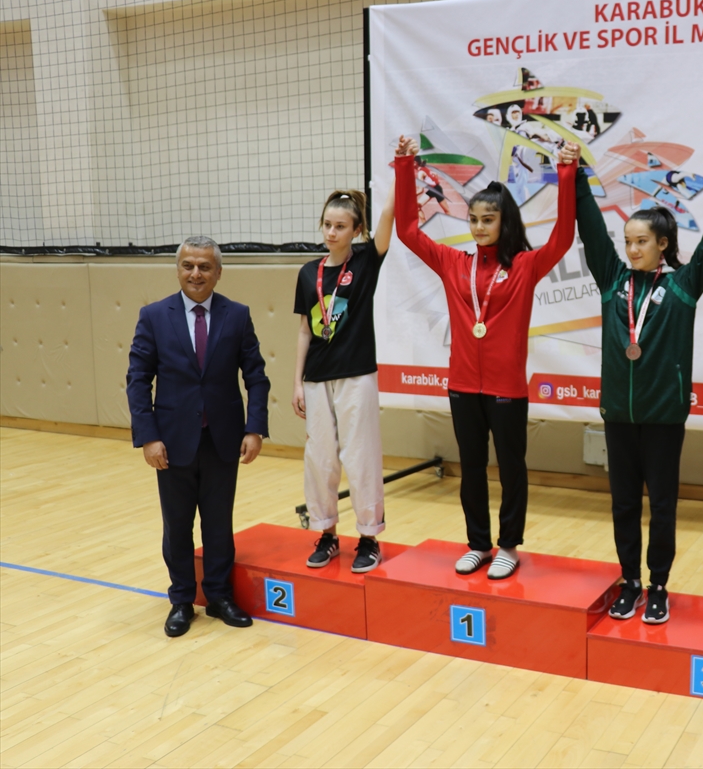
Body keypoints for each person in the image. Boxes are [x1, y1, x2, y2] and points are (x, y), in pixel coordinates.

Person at [392, 135, 580, 579]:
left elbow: (563, 236)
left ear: (504, 221)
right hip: (462, 385)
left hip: (507, 388)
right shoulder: (454, 263)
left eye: (488, 220)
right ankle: (478, 543)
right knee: (472, 468)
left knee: (511, 469)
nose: (479, 227)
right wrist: (404, 166)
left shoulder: (526, 266)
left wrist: (567, 172)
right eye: (474, 219)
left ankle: (508, 545)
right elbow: (407, 231)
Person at [574, 144, 703, 624]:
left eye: (641, 241)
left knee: (661, 505)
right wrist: (576, 174)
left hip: (663, 418)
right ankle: (630, 581)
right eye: (628, 241)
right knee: (623, 504)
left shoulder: (683, 285)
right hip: (619, 415)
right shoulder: (612, 281)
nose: (632, 249)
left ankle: (658, 585)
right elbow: (590, 229)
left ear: (663, 243)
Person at [127, 236, 269, 637]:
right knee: (177, 526)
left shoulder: (237, 315)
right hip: (171, 442)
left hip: (224, 440)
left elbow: (256, 377)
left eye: (205, 267)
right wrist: (148, 437)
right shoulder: (154, 316)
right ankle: (181, 600)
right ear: (178, 270)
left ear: (218, 272)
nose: (196, 273)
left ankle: (219, 597)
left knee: (219, 524)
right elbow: (138, 380)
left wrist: (254, 428)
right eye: (188, 265)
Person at [293, 187, 395, 573]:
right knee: (319, 459)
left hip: (356, 376)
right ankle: (327, 534)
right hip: (317, 378)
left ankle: (368, 538)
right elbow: (305, 330)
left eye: (340, 226)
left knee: (361, 455)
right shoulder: (308, 273)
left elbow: (388, 217)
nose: (332, 232)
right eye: (327, 225)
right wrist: (297, 382)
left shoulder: (367, 261)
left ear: (356, 230)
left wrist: (401, 170)